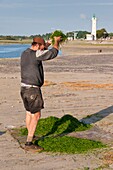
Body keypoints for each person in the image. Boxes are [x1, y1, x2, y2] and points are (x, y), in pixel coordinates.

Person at [20, 36, 61, 151]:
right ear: (37, 46)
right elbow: (53, 53)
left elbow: (40, 51)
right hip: (33, 90)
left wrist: (47, 44)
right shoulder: (37, 55)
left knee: (29, 113)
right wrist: (56, 43)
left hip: (23, 88)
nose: (43, 49)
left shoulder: (24, 53)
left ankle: (30, 135)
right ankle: (29, 143)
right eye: (42, 47)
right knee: (37, 115)